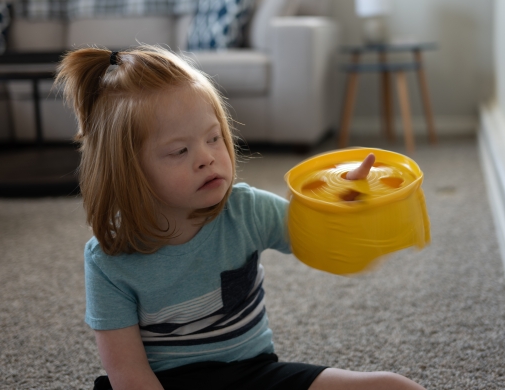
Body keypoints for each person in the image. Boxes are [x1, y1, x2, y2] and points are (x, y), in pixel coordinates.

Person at [56, 44, 426, 390]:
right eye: (180, 150)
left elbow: (320, 241)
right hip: (165, 383)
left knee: (393, 386)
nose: (207, 157)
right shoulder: (108, 261)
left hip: (256, 375)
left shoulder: (246, 209)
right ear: (127, 170)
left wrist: (347, 197)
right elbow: (128, 374)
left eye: (214, 138)